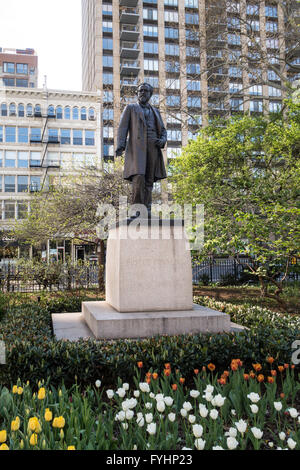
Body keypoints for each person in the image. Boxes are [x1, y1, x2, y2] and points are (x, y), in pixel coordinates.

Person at [115, 83, 167, 216]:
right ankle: (137, 209)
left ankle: (147, 209)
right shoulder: (131, 108)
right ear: (137, 93)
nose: (142, 93)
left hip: (153, 148)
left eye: (145, 91)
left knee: (149, 180)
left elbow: (163, 130)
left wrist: (162, 140)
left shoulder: (155, 111)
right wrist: (120, 145)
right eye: (140, 91)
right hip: (137, 149)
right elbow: (122, 128)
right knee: (139, 178)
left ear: (150, 94)